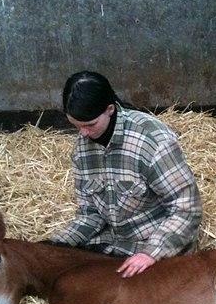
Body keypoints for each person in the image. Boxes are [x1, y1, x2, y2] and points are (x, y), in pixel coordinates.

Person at [48, 71, 202, 278]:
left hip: (156, 243)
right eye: (75, 125)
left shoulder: (153, 141)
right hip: (113, 243)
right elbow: (90, 213)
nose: (82, 134)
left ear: (110, 109)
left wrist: (151, 253)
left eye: (89, 125)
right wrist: (56, 244)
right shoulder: (82, 150)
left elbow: (186, 208)